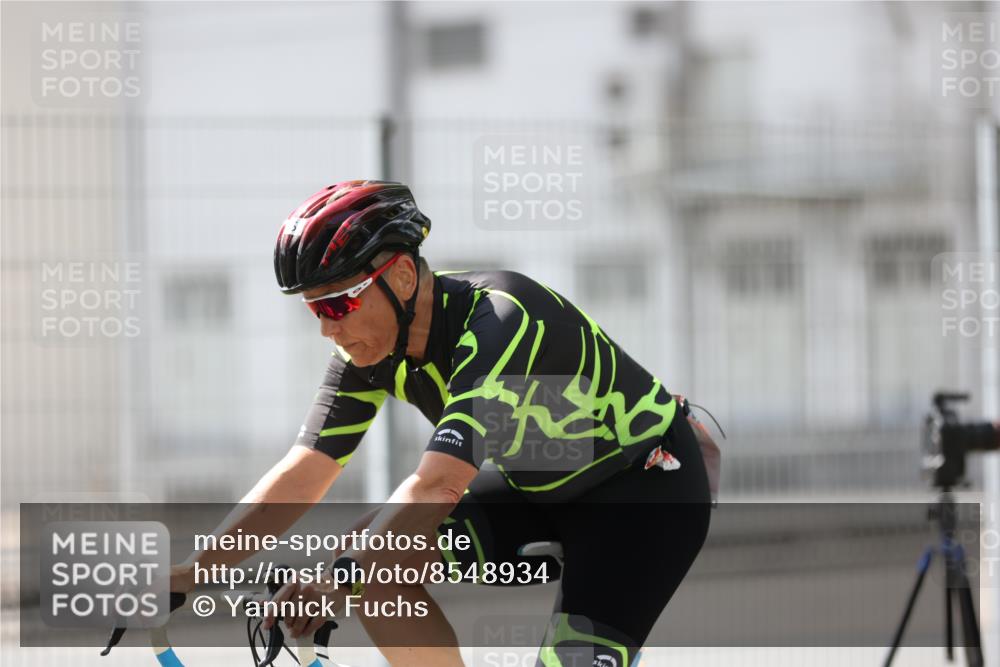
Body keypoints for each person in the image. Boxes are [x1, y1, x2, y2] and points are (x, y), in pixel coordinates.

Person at [171, 179, 715, 667]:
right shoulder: (370, 351)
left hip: (641, 496)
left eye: (336, 306)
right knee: (375, 564)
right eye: (314, 311)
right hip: (542, 487)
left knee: (365, 563)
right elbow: (304, 473)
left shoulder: (502, 318)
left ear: (402, 276)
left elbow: (439, 483)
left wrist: (335, 581)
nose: (326, 331)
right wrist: (185, 578)